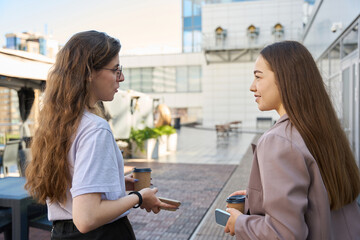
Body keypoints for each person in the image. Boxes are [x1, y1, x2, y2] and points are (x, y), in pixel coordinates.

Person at [25, 30, 176, 240]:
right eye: (116, 70)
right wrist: (139, 197)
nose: (121, 77)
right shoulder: (95, 128)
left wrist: (116, 182)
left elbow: (73, 186)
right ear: (88, 73)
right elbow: (87, 217)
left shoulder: (59, 124)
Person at [224, 41, 360, 239]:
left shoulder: (278, 141)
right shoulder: (324, 129)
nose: (252, 86)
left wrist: (240, 223)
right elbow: (318, 198)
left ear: (285, 78)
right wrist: (261, 197)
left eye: (258, 77)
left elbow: (284, 234)